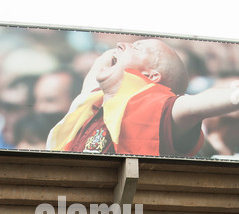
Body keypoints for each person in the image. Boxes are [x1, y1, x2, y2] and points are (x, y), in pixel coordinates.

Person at [47, 39, 239, 158]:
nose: (121, 44)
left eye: (136, 48)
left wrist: (235, 95)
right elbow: (97, 70)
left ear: (151, 76)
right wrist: (118, 56)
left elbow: (195, 104)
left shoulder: (158, 107)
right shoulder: (93, 102)